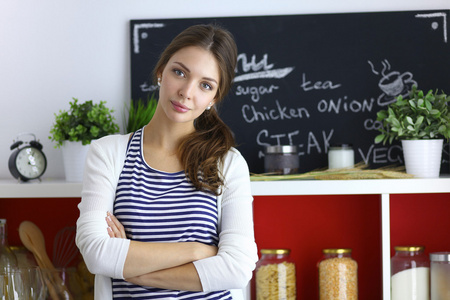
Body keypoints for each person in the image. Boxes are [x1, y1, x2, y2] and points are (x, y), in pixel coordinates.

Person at [76, 24, 258, 300]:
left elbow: (236, 268)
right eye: (180, 72)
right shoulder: (108, 154)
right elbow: (96, 252)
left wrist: (132, 268)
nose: (187, 91)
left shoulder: (227, 163)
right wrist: (196, 251)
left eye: (205, 85)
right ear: (161, 71)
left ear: (214, 98)